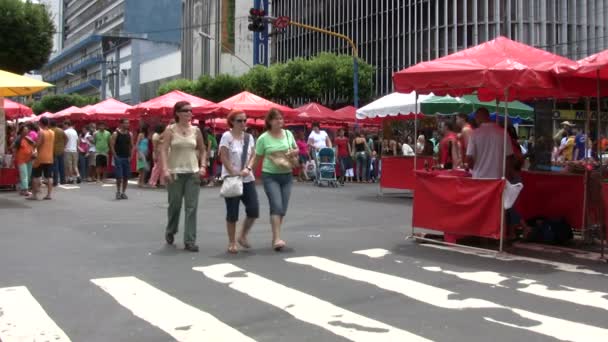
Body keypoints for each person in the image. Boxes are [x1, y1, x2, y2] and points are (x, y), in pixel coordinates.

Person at [160, 101, 207, 252]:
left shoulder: (196, 130)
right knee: (175, 205)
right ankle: (171, 229)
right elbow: (163, 149)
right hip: (175, 173)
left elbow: (203, 150)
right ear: (178, 113)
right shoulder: (170, 130)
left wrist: (203, 166)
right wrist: (165, 169)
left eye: (190, 111)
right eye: (186, 111)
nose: (189, 113)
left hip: (192, 173)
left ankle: (189, 240)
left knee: (191, 207)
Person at [249, 108, 298, 251]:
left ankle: (275, 236)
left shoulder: (288, 134)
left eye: (281, 118)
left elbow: (296, 149)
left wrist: (293, 152)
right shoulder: (263, 138)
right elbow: (257, 158)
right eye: (276, 119)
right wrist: (249, 171)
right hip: (270, 175)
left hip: (287, 175)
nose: (279, 121)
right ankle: (277, 238)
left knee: (282, 208)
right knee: (276, 205)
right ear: (269, 121)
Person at [219, 110, 259, 254]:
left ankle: (242, 235)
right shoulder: (226, 136)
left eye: (244, 120)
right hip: (232, 178)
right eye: (239, 120)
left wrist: (248, 168)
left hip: (247, 178)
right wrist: (233, 172)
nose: (243, 123)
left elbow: (254, 155)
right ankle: (232, 242)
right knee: (232, 212)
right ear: (232, 122)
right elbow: (223, 156)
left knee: (253, 210)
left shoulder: (249, 137)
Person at [466, 107, 513, 179]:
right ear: (488, 117)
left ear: (477, 118)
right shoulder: (503, 133)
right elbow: (509, 157)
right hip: (497, 178)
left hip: (479, 177)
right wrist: (507, 176)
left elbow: (469, 157)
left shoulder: (474, 134)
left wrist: (474, 167)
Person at [28, 117, 55, 200]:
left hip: (40, 157)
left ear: (41, 123)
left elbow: (38, 144)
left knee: (35, 176)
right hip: (50, 157)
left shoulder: (41, 132)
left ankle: (34, 195)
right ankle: (49, 194)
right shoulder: (52, 132)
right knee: (49, 177)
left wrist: (32, 142)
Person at [111, 119, 133, 200]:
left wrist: (131, 156)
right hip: (119, 157)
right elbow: (112, 145)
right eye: (125, 123)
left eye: (128, 123)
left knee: (126, 176)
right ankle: (118, 192)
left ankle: (123, 192)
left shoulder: (129, 134)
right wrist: (115, 156)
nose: (127, 124)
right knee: (119, 176)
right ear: (121, 124)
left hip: (126, 157)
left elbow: (131, 145)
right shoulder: (115, 133)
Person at [14, 125, 34, 196]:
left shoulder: (29, 138)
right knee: (24, 175)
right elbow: (15, 149)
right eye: (24, 130)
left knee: (28, 175)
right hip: (21, 159)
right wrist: (13, 159)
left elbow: (34, 145)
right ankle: (25, 190)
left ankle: (23, 189)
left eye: (27, 130)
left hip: (30, 159)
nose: (26, 131)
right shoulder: (18, 139)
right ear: (21, 131)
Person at [49, 120, 67, 186]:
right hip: (61, 150)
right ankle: (63, 180)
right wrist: (64, 145)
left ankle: (55, 181)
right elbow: (66, 138)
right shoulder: (61, 130)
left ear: (50, 124)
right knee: (61, 166)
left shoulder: (50, 131)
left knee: (55, 167)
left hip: (53, 150)